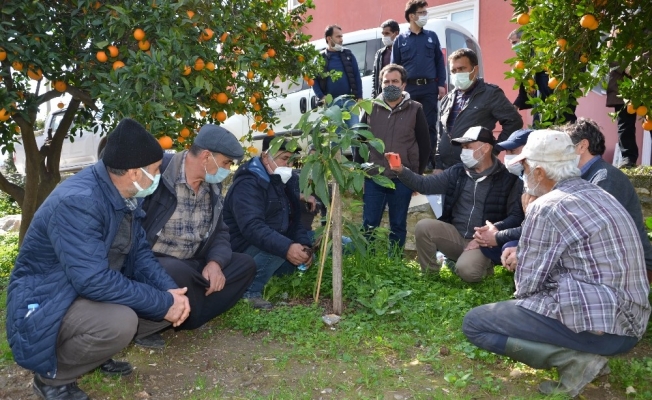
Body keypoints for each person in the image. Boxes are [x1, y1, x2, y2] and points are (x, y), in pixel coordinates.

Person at [6, 119, 190, 400]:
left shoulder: (124, 194)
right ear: (134, 173)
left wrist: (170, 293)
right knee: (120, 322)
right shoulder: (79, 201)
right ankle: (52, 380)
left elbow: (140, 253)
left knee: (168, 305)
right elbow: (92, 280)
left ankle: (95, 354)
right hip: (49, 300)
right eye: (155, 170)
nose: (158, 176)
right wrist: (164, 302)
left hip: (80, 291)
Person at [462, 130, 651, 397]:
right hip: (632, 323)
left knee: (475, 323)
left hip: (605, 330)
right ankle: (582, 355)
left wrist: (529, 220)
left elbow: (526, 287)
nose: (524, 174)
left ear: (540, 173)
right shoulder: (599, 193)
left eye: (526, 167)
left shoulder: (547, 206)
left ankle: (575, 361)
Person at [137, 124, 257, 348]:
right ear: (206, 157)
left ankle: (183, 314)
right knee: (176, 273)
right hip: (155, 263)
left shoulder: (213, 185)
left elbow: (220, 232)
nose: (227, 169)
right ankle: (170, 315)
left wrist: (215, 263)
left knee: (245, 264)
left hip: (195, 263)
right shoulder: (158, 173)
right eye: (225, 163)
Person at [386, 126, 524, 282]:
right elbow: (425, 185)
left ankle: (481, 264)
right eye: (462, 147)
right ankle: (430, 277)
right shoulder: (457, 172)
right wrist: (400, 170)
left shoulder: (507, 178)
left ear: (485, 148)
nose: (463, 151)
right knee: (424, 226)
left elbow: (515, 217)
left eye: (468, 147)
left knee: (467, 271)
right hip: (455, 235)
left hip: (484, 242)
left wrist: (489, 234)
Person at [224, 136, 312, 310]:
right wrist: (286, 247)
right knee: (279, 247)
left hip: (268, 241)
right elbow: (252, 227)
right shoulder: (248, 183)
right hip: (240, 248)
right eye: (284, 158)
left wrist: (304, 245)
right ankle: (248, 291)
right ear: (265, 157)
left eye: (292, 160)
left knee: (313, 241)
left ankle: (272, 273)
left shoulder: (286, 180)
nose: (289, 165)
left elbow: (294, 220)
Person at [564, 118, 652, 283]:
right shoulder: (589, 175)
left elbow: (588, 227)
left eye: (565, 147)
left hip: (634, 268)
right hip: (612, 262)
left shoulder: (605, 177)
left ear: (582, 146)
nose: (561, 154)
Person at [356, 63, 429, 251]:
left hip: (402, 178)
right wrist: (359, 172)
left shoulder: (415, 109)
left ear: (403, 85)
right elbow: (359, 141)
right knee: (369, 224)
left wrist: (416, 177)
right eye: (386, 82)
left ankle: (395, 260)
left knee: (398, 224)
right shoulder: (370, 107)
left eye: (394, 81)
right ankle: (367, 260)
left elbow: (425, 146)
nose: (390, 85)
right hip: (374, 176)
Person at [436, 48, 523, 170]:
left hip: (475, 167)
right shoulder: (447, 98)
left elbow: (514, 121)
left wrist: (494, 150)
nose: (457, 74)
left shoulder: (491, 94)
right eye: (453, 71)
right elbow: (441, 133)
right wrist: (438, 164)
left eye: (461, 69)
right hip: (446, 168)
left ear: (475, 69)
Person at [391, 0, 446, 168]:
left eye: (425, 12)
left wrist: (441, 84)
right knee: (408, 125)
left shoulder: (432, 36)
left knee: (429, 125)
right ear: (411, 16)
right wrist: (397, 88)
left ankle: (428, 161)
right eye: (422, 12)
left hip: (429, 88)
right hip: (409, 88)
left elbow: (439, 62)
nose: (425, 16)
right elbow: (395, 67)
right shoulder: (400, 40)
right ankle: (410, 160)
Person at [473, 128, 533, 264]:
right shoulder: (521, 178)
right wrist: (493, 228)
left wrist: (498, 235)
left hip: (539, 237)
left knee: (507, 245)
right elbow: (516, 216)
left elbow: (535, 228)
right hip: (523, 231)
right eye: (507, 152)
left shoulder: (542, 180)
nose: (508, 156)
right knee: (488, 244)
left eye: (513, 151)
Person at [508, 28, 577, 126]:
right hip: (541, 111)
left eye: (515, 42)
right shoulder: (526, 64)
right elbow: (523, 93)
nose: (513, 47)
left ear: (525, 39)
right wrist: (513, 108)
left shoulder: (548, 56)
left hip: (560, 108)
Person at [313, 24, 363, 129]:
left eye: (341, 36)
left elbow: (357, 76)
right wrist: (321, 96)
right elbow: (313, 80)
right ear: (329, 38)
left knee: (355, 131)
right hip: (331, 104)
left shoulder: (348, 55)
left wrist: (359, 97)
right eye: (338, 36)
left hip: (350, 101)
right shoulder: (320, 58)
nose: (341, 39)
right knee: (336, 135)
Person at [606, 63, 638, 167]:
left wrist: (642, 66)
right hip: (621, 86)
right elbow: (613, 56)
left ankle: (628, 158)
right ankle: (628, 158)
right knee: (625, 124)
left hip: (646, 83)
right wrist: (626, 66)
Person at [371, 19, 400, 99]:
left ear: (396, 33)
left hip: (399, 92)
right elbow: (375, 77)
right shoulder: (380, 54)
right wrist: (374, 95)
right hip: (384, 94)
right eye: (383, 34)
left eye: (387, 33)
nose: (384, 37)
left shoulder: (403, 51)